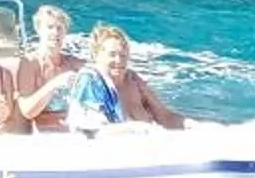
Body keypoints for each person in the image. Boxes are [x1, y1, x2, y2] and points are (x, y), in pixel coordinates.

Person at [58, 23, 186, 130]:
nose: (118, 60)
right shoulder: (90, 81)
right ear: (96, 55)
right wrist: (142, 130)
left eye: (123, 55)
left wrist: (194, 126)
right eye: (112, 54)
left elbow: (164, 116)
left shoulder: (133, 80)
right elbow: (92, 128)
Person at [14, 3, 79, 132]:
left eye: (60, 28)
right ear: (38, 29)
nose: (55, 33)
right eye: (50, 27)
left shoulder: (74, 63)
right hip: (45, 134)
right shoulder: (30, 63)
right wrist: (54, 84)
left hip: (74, 128)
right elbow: (27, 111)